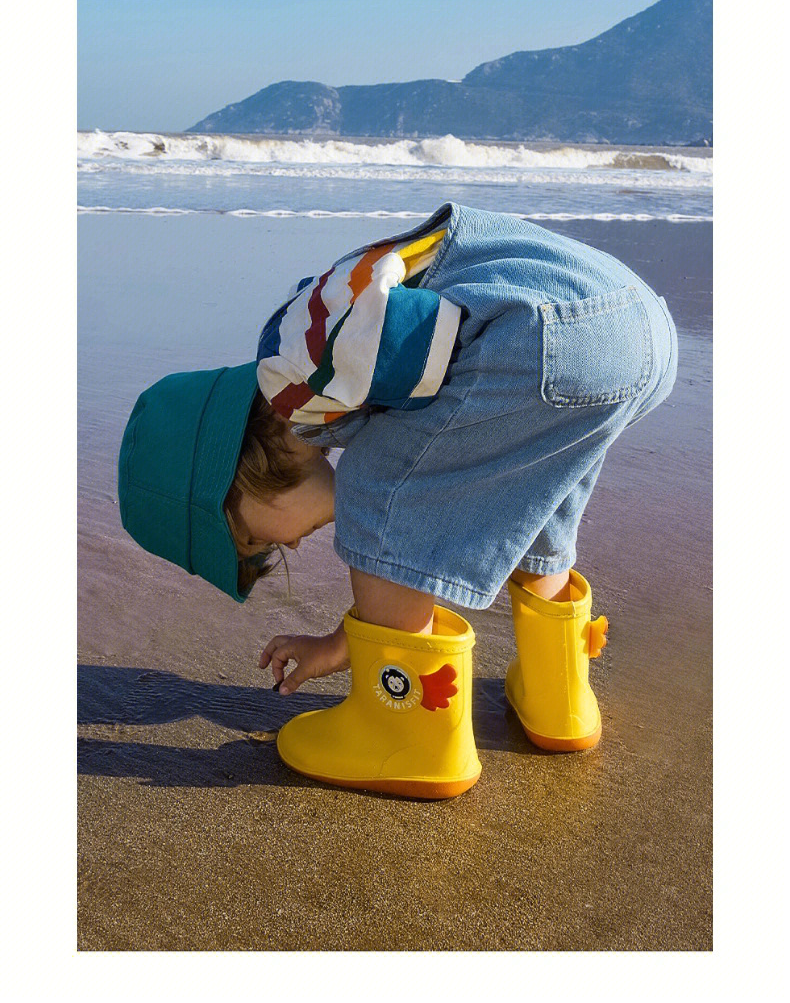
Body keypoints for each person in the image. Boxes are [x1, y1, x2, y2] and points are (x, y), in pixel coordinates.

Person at [118, 202, 677, 799]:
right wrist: (342, 645)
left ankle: (406, 733)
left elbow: (412, 350)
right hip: (638, 326)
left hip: (550, 331)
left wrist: (384, 505)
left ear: (237, 477)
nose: (285, 545)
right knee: (535, 493)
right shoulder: (324, 382)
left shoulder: (295, 364)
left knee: (381, 489)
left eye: (253, 539)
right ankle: (557, 697)